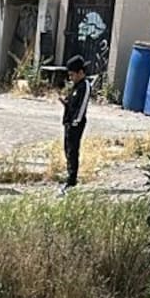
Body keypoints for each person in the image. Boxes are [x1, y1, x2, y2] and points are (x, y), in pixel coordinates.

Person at [58, 54, 91, 195]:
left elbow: (82, 106)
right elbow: (72, 103)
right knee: (67, 149)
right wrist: (65, 103)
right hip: (69, 122)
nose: (70, 78)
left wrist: (75, 122)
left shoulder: (85, 86)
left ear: (80, 72)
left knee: (73, 151)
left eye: (72, 75)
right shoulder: (76, 86)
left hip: (75, 124)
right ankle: (69, 174)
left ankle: (72, 179)